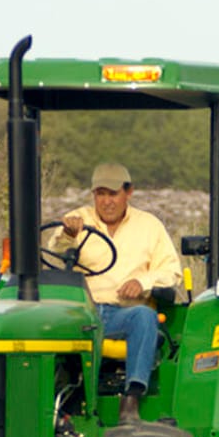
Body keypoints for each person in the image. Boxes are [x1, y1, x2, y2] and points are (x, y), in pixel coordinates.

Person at [50, 163, 181, 422]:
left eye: (113, 194)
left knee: (144, 316)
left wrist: (142, 282)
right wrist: (67, 235)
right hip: (81, 311)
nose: (106, 201)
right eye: (100, 194)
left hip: (122, 314)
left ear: (128, 193)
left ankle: (130, 399)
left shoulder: (149, 226)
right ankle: (57, 401)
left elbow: (171, 271)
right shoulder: (77, 220)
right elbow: (54, 255)